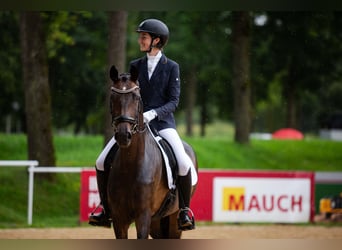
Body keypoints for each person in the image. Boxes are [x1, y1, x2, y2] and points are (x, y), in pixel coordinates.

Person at [89, 18, 196, 231]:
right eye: (141, 36)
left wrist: (152, 114)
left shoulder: (172, 67)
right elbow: (130, 94)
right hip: (135, 124)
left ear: (156, 40)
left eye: (144, 36)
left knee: (184, 163)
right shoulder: (135, 65)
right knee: (101, 161)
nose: (140, 39)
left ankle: (184, 211)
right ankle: (105, 208)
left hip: (163, 124)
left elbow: (173, 101)